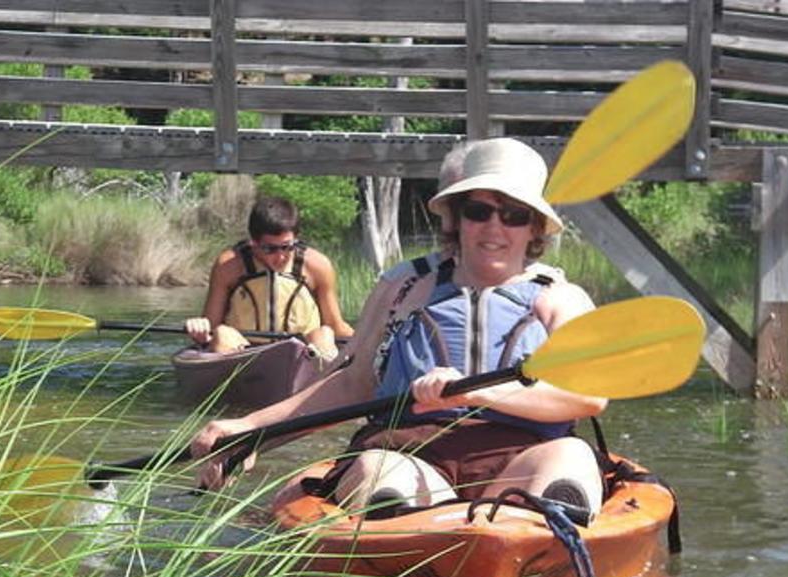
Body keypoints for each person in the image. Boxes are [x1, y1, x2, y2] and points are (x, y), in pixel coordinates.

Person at [190, 138, 606, 516]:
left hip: (522, 454)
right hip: (410, 452)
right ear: (457, 219)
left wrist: (477, 390)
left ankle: (532, 551)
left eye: (513, 215)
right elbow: (352, 385)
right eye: (479, 211)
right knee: (381, 474)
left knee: (571, 460)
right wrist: (251, 431)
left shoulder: (561, 299)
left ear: (533, 226)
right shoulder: (402, 288)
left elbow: (588, 395)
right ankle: (409, 545)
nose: (494, 227)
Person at [184, 196, 354, 359]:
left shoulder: (318, 266)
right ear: (253, 243)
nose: (280, 257)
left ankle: (319, 382)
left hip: (302, 354)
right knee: (222, 334)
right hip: (243, 351)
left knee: (324, 334)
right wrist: (200, 328)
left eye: (287, 247)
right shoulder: (229, 266)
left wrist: (369, 338)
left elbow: (335, 326)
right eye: (269, 249)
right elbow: (211, 326)